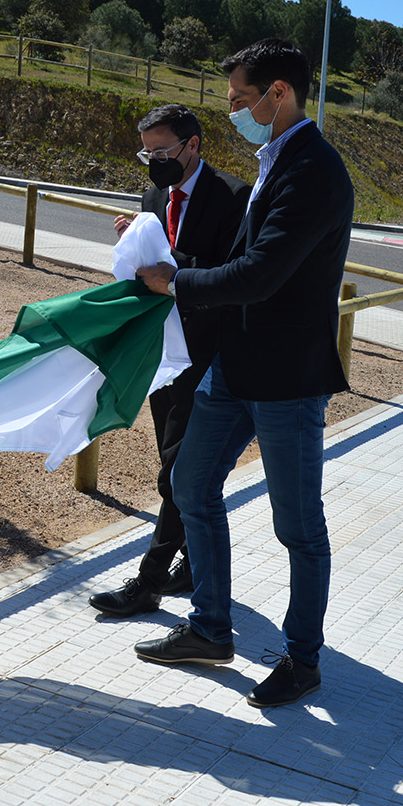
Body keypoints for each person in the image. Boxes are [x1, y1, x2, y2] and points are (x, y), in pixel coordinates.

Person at [134, 38, 353, 709]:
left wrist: (178, 283)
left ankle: (303, 659)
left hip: (287, 378)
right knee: (190, 482)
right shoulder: (275, 159)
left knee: (297, 525)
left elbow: (261, 273)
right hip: (235, 365)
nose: (234, 111)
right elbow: (240, 250)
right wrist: (156, 247)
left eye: (239, 99)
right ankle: (209, 627)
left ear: (278, 93)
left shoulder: (314, 170)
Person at [89, 104, 250, 618]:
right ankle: (191, 561)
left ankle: (149, 582)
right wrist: (132, 240)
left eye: (162, 151)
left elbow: (231, 273)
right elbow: (152, 260)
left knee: (181, 472)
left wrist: (170, 268)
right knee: (171, 465)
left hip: (208, 352)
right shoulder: (153, 195)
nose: (154, 161)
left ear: (193, 145)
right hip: (164, 349)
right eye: (147, 152)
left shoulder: (234, 196)